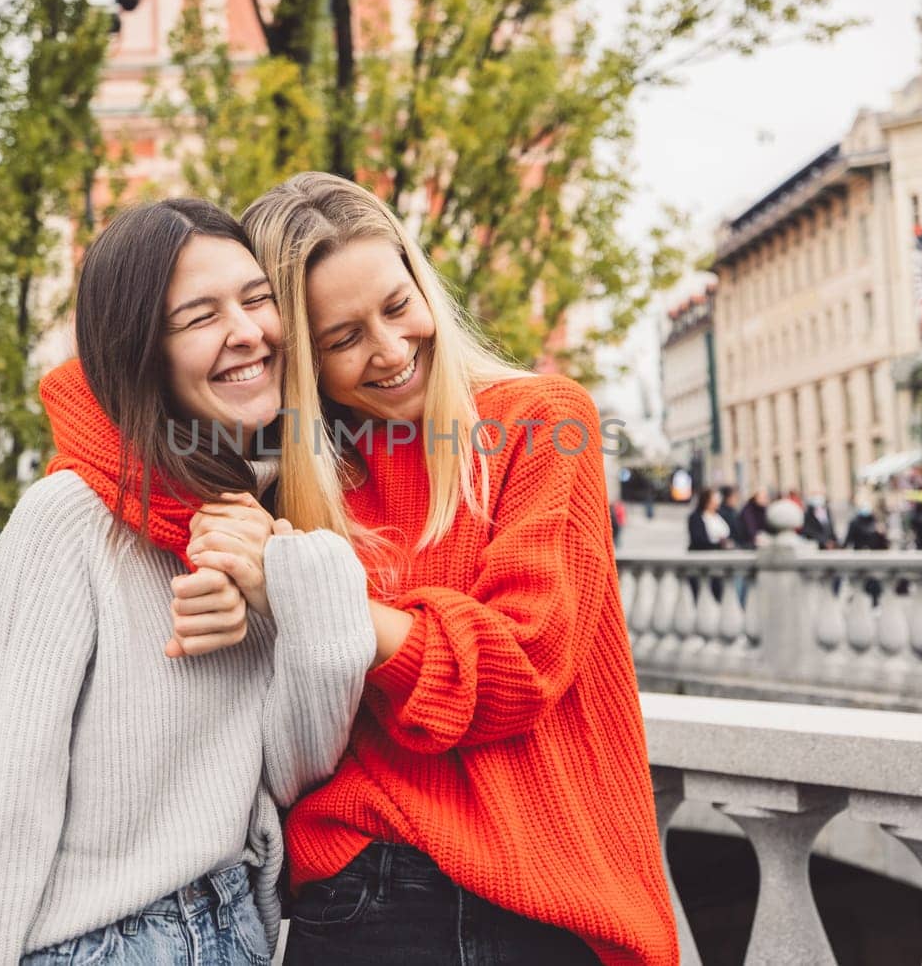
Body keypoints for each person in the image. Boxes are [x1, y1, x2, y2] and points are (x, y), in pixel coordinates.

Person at [0, 200, 378, 966]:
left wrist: (289, 581)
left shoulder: (255, 520)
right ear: (142, 352)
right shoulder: (71, 519)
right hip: (98, 942)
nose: (247, 331)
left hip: (236, 930)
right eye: (200, 316)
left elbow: (295, 767)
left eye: (257, 299)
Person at [241, 173, 677, 966]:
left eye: (398, 304)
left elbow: (520, 664)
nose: (392, 349)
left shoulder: (542, 421)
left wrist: (326, 599)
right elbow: (100, 408)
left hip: (545, 905)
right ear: (301, 359)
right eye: (343, 338)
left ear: (421, 281)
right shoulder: (297, 473)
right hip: (365, 890)